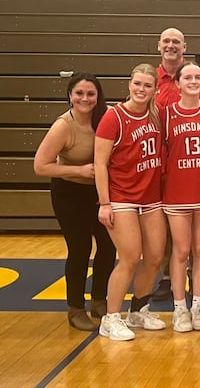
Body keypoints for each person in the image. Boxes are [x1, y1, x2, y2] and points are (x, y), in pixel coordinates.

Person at [33, 73, 115, 331]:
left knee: (107, 247)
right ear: (70, 95)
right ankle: (75, 308)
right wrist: (78, 171)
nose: (85, 98)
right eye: (79, 93)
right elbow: (40, 166)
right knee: (79, 249)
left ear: (98, 96)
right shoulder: (63, 126)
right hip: (69, 192)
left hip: (100, 192)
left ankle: (100, 300)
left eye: (90, 93)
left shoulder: (107, 116)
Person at [94, 64, 167, 341]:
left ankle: (137, 311)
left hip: (151, 198)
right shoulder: (114, 116)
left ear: (154, 89)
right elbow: (100, 163)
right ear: (129, 84)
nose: (141, 89)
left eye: (148, 85)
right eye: (137, 83)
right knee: (129, 258)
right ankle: (110, 318)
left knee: (155, 258)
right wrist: (104, 203)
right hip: (121, 198)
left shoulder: (156, 114)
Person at [152, 27, 200, 303]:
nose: (171, 45)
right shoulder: (151, 79)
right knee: (174, 241)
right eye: (166, 41)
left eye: (176, 41)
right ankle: (170, 281)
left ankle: (195, 291)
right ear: (158, 46)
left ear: (185, 46)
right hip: (168, 172)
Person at [163, 62, 200, 333]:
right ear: (177, 83)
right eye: (188, 77)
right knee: (181, 251)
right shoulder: (166, 114)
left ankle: (198, 306)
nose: (194, 81)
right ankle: (179, 308)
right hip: (176, 194)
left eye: (198, 77)